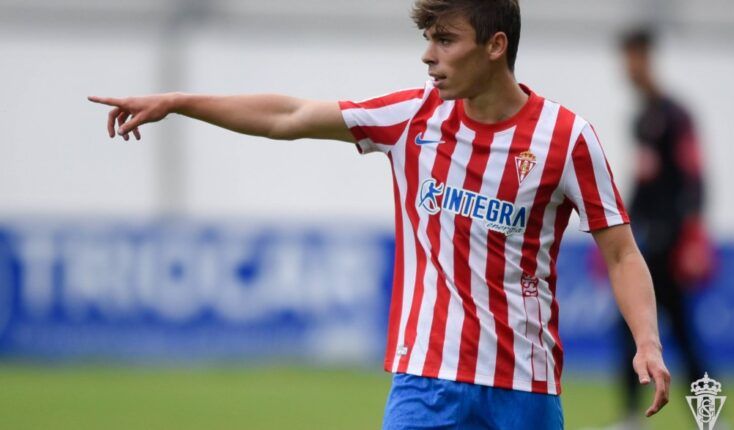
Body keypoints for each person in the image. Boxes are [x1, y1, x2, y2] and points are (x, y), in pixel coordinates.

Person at [89, 1, 670, 428]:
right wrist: (179, 101)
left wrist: (647, 341)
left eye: (444, 39)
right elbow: (288, 115)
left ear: (495, 46)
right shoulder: (412, 118)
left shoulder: (565, 138)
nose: (428, 55)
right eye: (426, 37)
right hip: (424, 382)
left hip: (523, 389)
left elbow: (620, 249)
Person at [613, 28, 711, 429]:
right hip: (646, 242)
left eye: (634, 57)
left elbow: (693, 178)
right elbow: (641, 184)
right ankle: (632, 417)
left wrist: (689, 237)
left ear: (647, 59)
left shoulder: (675, 116)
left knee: (684, 335)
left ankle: (709, 417)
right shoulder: (641, 119)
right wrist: (619, 232)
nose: (628, 67)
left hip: (669, 246)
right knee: (626, 328)